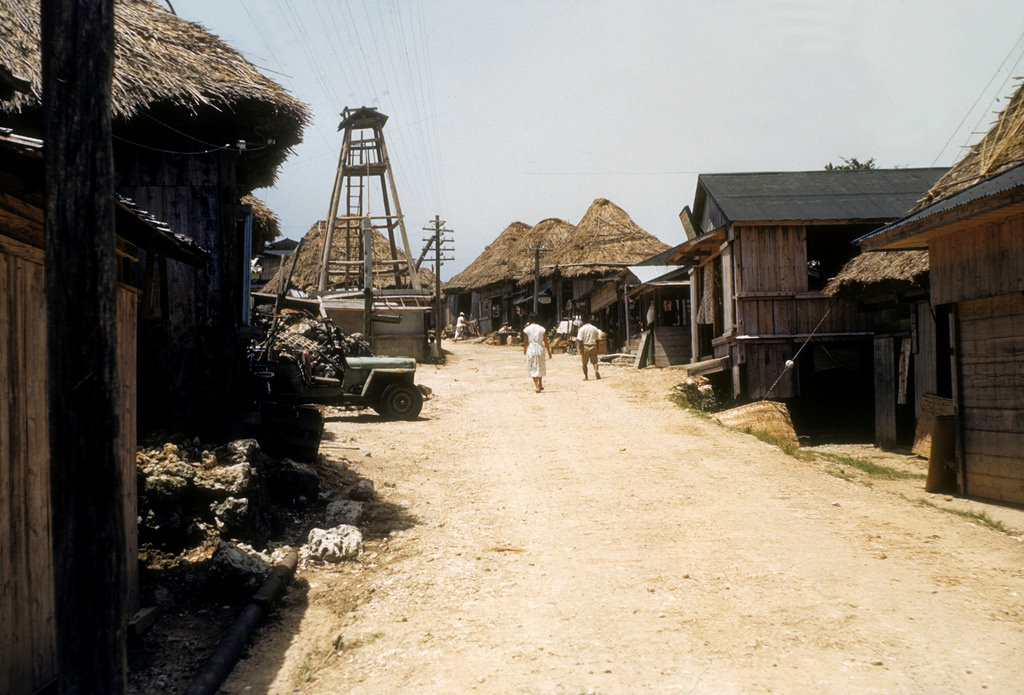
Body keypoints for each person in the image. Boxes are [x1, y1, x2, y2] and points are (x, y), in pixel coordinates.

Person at [522, 313, 552, 393]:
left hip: (531, 348)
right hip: (540, 348)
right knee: (540, 365)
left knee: (532, 367)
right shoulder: (541, 328)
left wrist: (525, 350)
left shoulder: (527, 329)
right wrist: (549, 352)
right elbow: (545, 341)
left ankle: (537, 386)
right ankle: (541, 384)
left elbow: (525, 342)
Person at [576, 315, 605, 381]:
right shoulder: (594, 328)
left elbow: (580, 340)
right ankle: (596, 370)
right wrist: (597, 347)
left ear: (583, 322)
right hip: (593, 345)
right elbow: (597, 339)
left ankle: (586, 377)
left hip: (585, 346)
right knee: (595, 362)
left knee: (584, 363)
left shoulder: (581, 329)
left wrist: (580, 349)